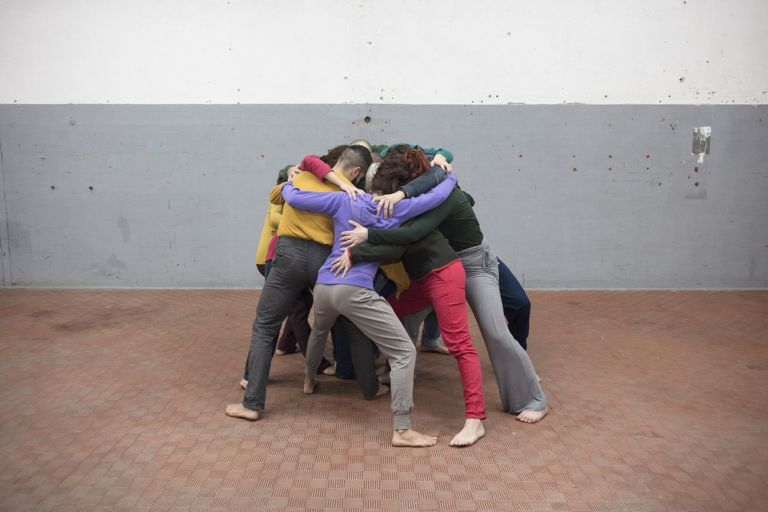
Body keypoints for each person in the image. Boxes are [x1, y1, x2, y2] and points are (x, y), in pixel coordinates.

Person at [338, 155, 549, 423]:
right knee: (404, 314)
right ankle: (398, 372)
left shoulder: (441, 193)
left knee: (495, 331)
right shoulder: (421, 192)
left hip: (473, 263)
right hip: (440, 264)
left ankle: (535, 398)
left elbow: (414, 232)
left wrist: (366, 236)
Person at [279, 149, 460, 447]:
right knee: (404, 353)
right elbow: (436, 197)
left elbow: (296, 198)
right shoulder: (398, 208)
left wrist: (289, 179)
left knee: (320, 330)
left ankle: (309, 378)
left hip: (325, 285)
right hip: (356, 290)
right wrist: (451, 177)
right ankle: (402, 429)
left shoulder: (344, 199)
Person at [225, 145, 370, 423]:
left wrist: (292, 179)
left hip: (288, 256)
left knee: (265, 326)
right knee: (349, 319)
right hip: (324, 260)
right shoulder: (351, 194)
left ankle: (252, 403)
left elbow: (276, 195)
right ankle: (369, 387)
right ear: (356, 171)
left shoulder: (302, 176)